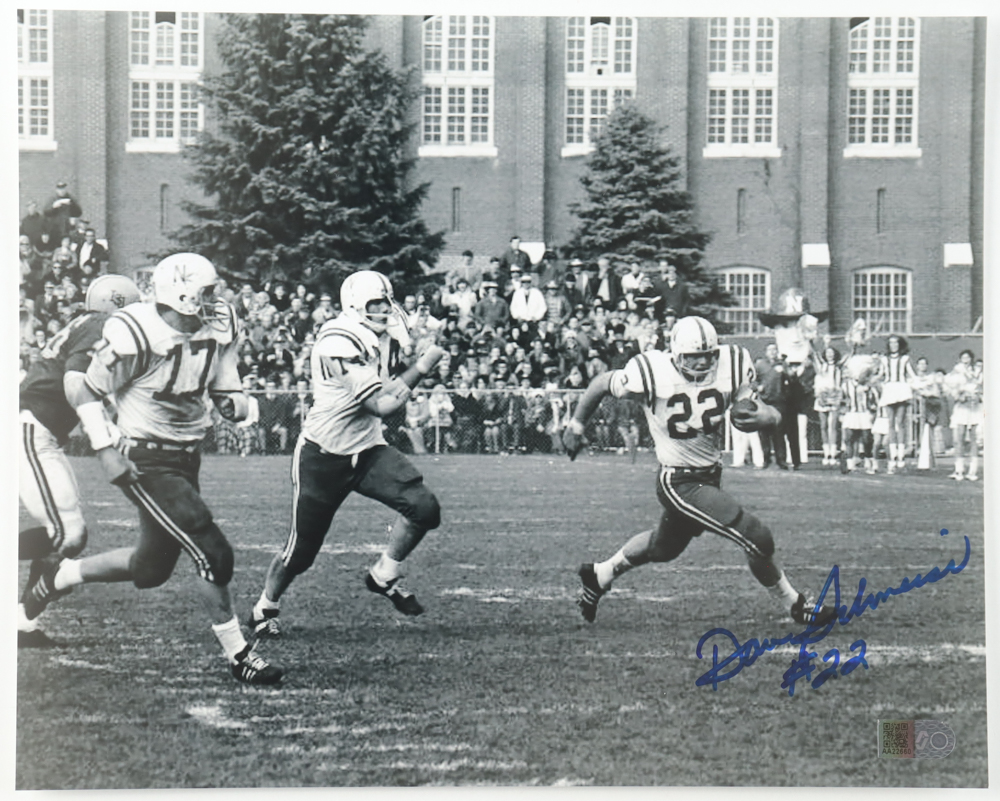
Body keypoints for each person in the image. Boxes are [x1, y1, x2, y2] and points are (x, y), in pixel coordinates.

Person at [22, 253, 282, 685]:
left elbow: (224, 372)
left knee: (151, 567)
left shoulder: (219, 322)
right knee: (211, 548)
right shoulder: (133, 329)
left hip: (186, 452)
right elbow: (86, 388)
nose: (216, 299)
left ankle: (59, 575)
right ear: (180, 293)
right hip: (146, 457)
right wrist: (105, 449)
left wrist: (233, 399)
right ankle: (240, 655)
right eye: (206, 290)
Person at [561, 316, 836, 626]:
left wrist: (765, 416)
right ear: (676, 353)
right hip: (678, 480)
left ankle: (600, 574)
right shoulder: (651, 371)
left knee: (663, 548)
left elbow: (757, 407)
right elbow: (600, 383)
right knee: (756, 536)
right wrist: (576, 423)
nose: (701, 362)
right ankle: (795, 604)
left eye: (707, 354)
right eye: (693, 356)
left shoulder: (731, 363)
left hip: (708, 474)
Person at [248, 271, 445, 639]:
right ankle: (265, 607)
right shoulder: (337, 341)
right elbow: (381, 404)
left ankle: (384, 574)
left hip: (368, 450)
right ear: (355, 306)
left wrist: (416, 345)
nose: (384, 310)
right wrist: (422, 366)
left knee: (424, 508)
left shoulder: (386, 328)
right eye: (375, 304)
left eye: (386, 302)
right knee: (301, 552)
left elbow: (388, 379)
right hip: (324, 455)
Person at [17, 274, 141, 647]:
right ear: (118, 305)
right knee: (65, 534)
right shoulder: (101, 324)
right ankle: (21, 619)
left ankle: (21, 621)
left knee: (73, 536)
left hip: (41, 433)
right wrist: (107, 431)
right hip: (29, 429)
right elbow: (76, 381)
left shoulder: (86, 322)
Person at [877, 335, 916, 473]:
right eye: (891, 343)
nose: (893, 345)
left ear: (900, 344)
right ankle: (892, 458)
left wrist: (921, 383)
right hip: (889, 389)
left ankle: (901, 456)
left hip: (901, 389)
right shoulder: (883, 359)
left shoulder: (905, 359)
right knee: (891, 424)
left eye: (896, 343)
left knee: (900, 423)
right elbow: (881, 374)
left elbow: (912, 374)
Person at [944, 350, 982, 481]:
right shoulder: (956, 372)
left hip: (974, 408)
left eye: (968, 357)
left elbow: (980, 387)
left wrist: (976, 396)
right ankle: (959, 470)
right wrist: (958, 395)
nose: (965, 359)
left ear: (971, 359)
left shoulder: (977, 371)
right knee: (958, 439)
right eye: (963, 357)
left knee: (973, 440)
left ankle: (972, 471)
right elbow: (949, 387)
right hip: (961, 408)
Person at [754, 343, 788, 469]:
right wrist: (758, 387)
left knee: (779, 433)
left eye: (775, 350)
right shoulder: (760, 365)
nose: (773, 352)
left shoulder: (782, 364)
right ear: (766, 352)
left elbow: (791, 379)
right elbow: (752, 380)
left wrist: (786, 371)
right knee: (764, 433)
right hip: (764, 402)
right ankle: (766, 459)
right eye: (770, 350)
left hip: (778, 402)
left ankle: (781, 460)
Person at [813, 346, 843, 465]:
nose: (829, 355)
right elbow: (814, 353)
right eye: (827, 353)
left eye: (832, 353)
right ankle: (826, 453)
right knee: (823, 426)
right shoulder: (821, 367)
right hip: (822, 397)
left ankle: (833, 454)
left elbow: (850, 354)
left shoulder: (838, 367)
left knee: (833, 426)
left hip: (834, 396)